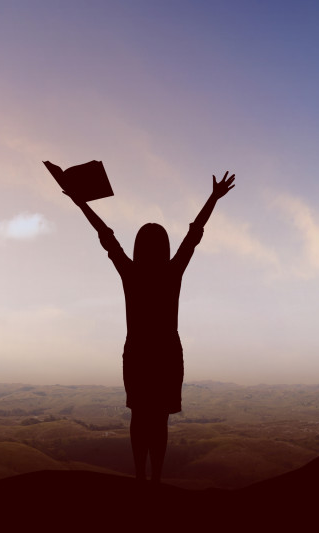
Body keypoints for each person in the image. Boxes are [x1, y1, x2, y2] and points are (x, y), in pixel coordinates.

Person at [64, 171, 235, 483]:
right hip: (167, 352)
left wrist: (81, 203)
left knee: (140, 416)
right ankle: (154, 478)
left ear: (139, 248)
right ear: (164, 247)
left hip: (140, 352)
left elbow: (107, 238)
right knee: (158, 419)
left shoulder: (132, 273)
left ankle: (142, 477)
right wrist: (213, 198)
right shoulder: (172, 272)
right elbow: (193, 236)